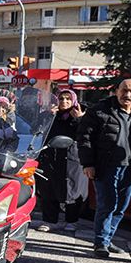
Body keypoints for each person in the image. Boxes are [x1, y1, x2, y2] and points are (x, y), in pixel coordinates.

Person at [78, 78, 131, 258]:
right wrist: (88, 163)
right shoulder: (99, 110)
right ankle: (101, 242)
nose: (127, 95)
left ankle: (107, 239)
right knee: (107, 205)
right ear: (117, 90)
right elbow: (84, 138)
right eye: (124, 90)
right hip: (106, 166)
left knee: (121, 207)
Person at [36, 89, 87, 232]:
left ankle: (72, 220)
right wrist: (48, 116)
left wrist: (79, 119)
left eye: (68, 99)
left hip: (72, 158)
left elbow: (87, 134)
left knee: (72, 189)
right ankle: (49, 220)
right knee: (48, 188)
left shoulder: (81, 114)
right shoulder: (50, 115)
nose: (64, 102)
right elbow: (38, 131)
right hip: (51, 156)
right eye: (61, 99)